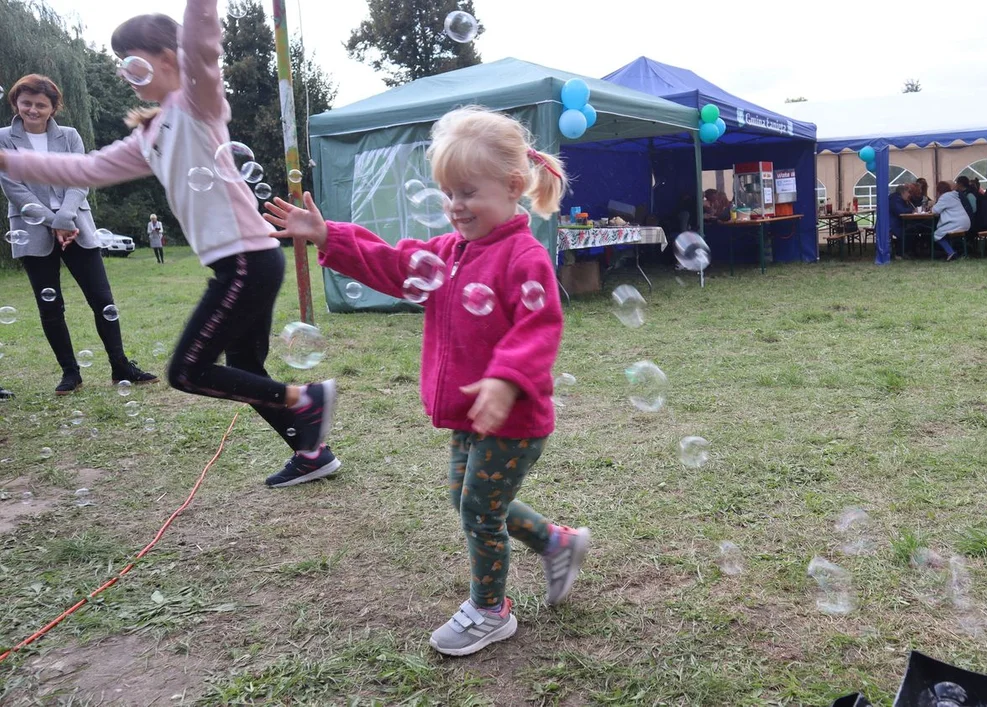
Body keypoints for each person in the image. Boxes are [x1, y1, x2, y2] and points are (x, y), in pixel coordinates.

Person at [262, 106, 591, 657]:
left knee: (479, 510)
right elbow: (391, 263)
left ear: (513, 187)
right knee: (471, 502)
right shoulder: (449, 253)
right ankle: (558, 543)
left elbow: (541, 327)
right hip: (470, 414)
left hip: (513, 419)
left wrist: (506, 380)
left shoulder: (525, 256)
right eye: (447, 193)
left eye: (467, 192)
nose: (455, 206)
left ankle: (491, 610)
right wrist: (328, 236)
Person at [0, 2, 338, 486]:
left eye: (133, 63)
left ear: (170, 58)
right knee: (243, 365)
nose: (126, 75)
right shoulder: (149, 133)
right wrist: (7, 161)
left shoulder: (197, 101)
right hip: (245, 262)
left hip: (246, 260)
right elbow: (85, 169)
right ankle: (312, 454)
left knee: (186, 371)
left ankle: (304, 400)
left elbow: (203, 42)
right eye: (121, 66)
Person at [0, 74, 156, 395]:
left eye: (41, 104)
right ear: (16, 103)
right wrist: (53, 221)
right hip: (32, 230)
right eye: (26, 103)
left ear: (53, 108)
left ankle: (120, 365)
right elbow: (13, 187)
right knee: (51, 307)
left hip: (76, 227)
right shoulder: (4, 138)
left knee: (102, 299)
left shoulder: (70, 136)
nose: (32, 109)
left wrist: (66, 217)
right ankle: (70, 372)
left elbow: (81, 177)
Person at [931, 181, 967, 261]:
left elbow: (934, 210)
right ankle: (952, 252)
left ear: (939, 191)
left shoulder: (945, 197)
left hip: (956, 223)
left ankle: (950, 252)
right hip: (964, 222)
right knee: (943, 233)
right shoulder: (953, 196)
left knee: (936, 234)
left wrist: (931, 207)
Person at [888, 183, 915, 255]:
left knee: (912, 229)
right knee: (907, 231)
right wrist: (911, 210)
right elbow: (900, 211)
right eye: (908, 192)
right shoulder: (895, 199)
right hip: (891, 224)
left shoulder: (897, 198)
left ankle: (906, 251)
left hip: (893, 222)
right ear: (903, 192)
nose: (909, 194)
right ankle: (900, 253)